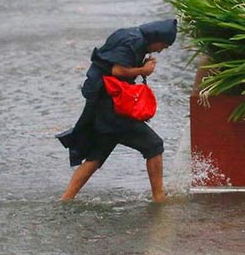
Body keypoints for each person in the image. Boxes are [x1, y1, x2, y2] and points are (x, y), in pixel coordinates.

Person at [59, 19, 177, 202]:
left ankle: (66, 198)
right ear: (156, 38)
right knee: (154, 145)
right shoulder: (134, 41)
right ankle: (159, 197)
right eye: (163, 45)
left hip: (103, 105)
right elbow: (118, 70)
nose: (161, 50)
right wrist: (143, 70)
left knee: (96, 156)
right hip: (112, 107)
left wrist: (140, 65)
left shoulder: (130, 35)